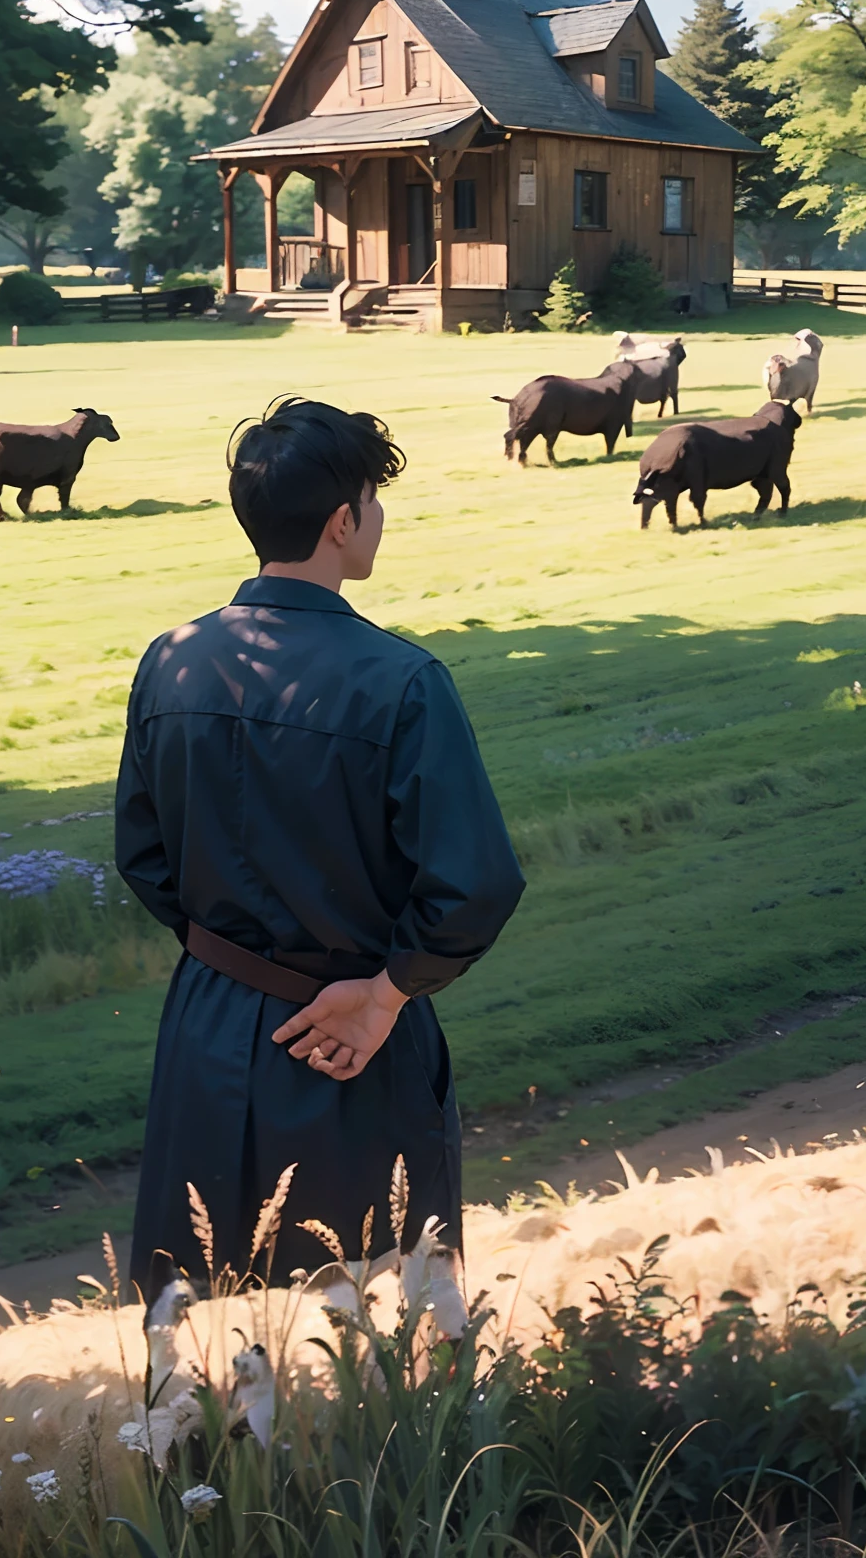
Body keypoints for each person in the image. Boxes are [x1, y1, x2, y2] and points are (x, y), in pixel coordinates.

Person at [115, 396, 524, 1288]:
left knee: (205, 1324)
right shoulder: (404, 681)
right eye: (373, 503)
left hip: (206, 1023)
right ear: (342, 522)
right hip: (353, 1042)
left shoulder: (168, 659)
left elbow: (144, 860)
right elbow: (475, 883)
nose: (378, 520)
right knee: (395, 1316)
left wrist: (233, 952)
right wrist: (383, 996)